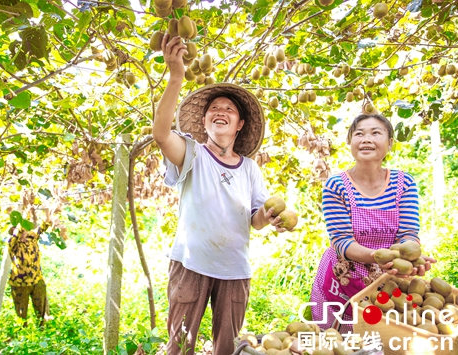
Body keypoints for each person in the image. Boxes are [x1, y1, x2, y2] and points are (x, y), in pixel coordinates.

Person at [153, 34, 290, 355]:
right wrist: (176, 77)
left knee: (226, 348)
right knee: (179, 346)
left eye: (229, 109)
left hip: (234, 268)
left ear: (240, 124)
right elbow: (161, 134)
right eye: (214, 108)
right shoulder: (193, 153)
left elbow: (255, 221)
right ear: (204, 121)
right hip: (191, 263)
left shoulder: (250, 169)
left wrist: (269, 217)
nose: (221, 111)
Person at [309, 113, 436, 332]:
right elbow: (341, 241)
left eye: (376, 133)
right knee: (339, 342)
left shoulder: (404, 183)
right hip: (344, 279)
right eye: (359, 134)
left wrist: (410, 258)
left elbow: (408, 234)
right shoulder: (335, 185)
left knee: (384, 340)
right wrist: (378, 257)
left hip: (390, 278)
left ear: (390, 144)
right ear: (350, 143)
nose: (366, 139)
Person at [7, 209, 54, 327]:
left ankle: (42, 329)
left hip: (37, 280)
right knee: (21, 314)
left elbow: (44, 225)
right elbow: (16, 233)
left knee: (41, 310)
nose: (23, 233)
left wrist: (46, 211)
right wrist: (21, 218)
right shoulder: (13, 244)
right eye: (20, 231)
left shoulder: (32, 238)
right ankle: (24, 334)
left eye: (24, 231)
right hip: (19, 284)